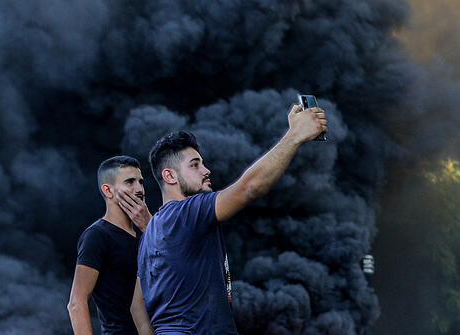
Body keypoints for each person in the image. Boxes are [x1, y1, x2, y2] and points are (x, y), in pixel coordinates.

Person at [138, 103, 327, 334]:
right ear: (169, 176)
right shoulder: (186, 213)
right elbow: (250, 188)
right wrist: (294, 136)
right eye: (195, 165)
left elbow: (136, 305)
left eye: (203, 163)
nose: (206, 170)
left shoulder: (149, 234)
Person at [68, 156, 155, 335]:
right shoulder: (97, 236)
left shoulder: (147, 232)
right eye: (130, 182)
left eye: (140, 181)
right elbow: (77, 302)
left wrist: (151, 227)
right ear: (108, 190)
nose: (138, 189)